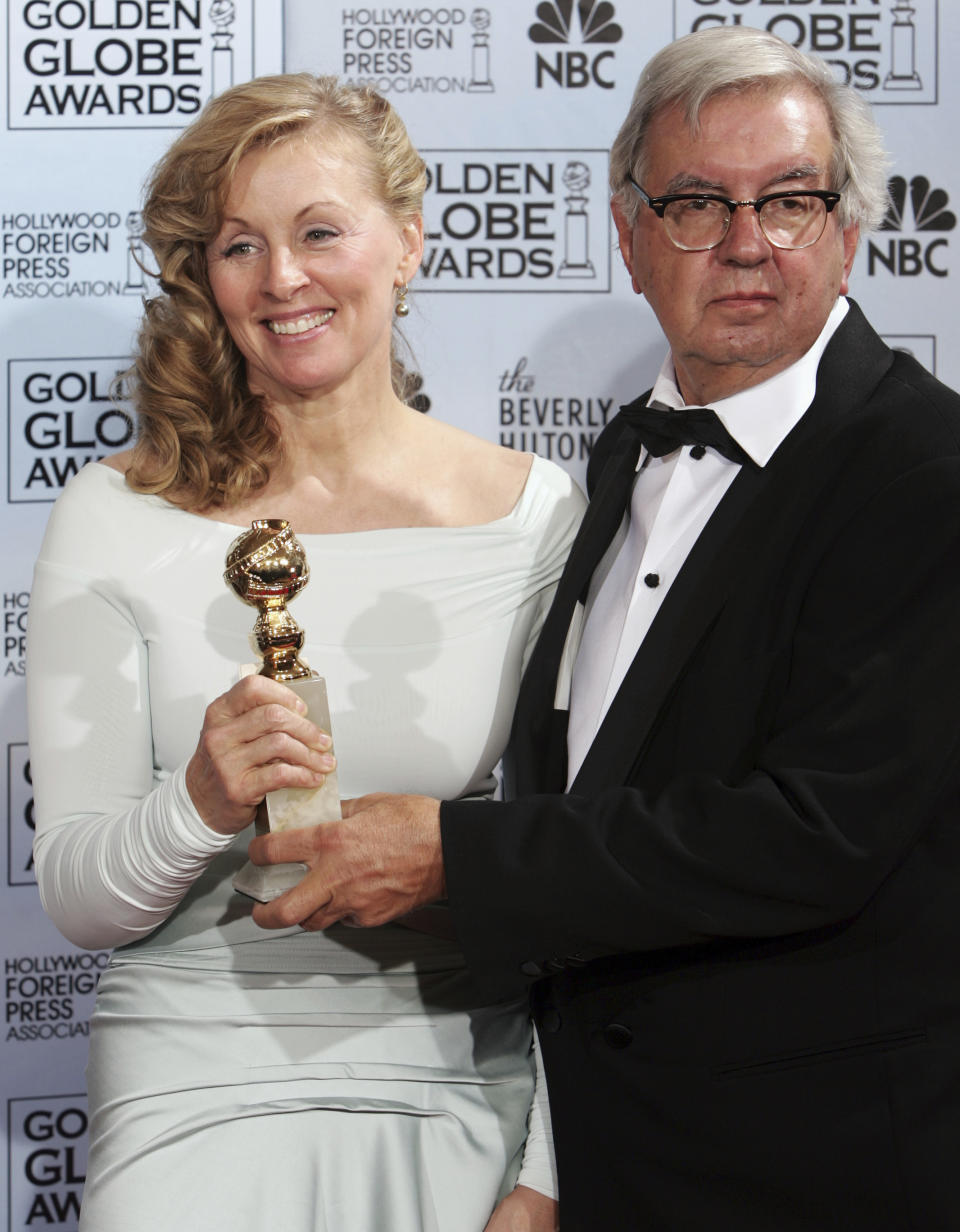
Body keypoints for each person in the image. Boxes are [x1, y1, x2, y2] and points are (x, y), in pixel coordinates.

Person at [247, 27, 960, 1232]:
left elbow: (812, 831)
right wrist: (554, 1163)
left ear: (848, 230)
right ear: (629, 236)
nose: (745, 241)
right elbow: (596, 791)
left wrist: (455, 857)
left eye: (788, 200)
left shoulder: (925, 472)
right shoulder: (626, 454)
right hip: (621, 1161)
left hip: (823, 1177)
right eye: (695, 202)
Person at [27, 74, 584, 1232]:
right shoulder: (116, 511)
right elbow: (79, 896)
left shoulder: (536, 516)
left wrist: (549, 1166)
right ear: (204, 275)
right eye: (240, 245)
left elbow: (580, 870)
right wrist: (195, 799)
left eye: (319, 231)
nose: (283, 279)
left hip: (458, 1077)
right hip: (189, 1082)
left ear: (405, 244)